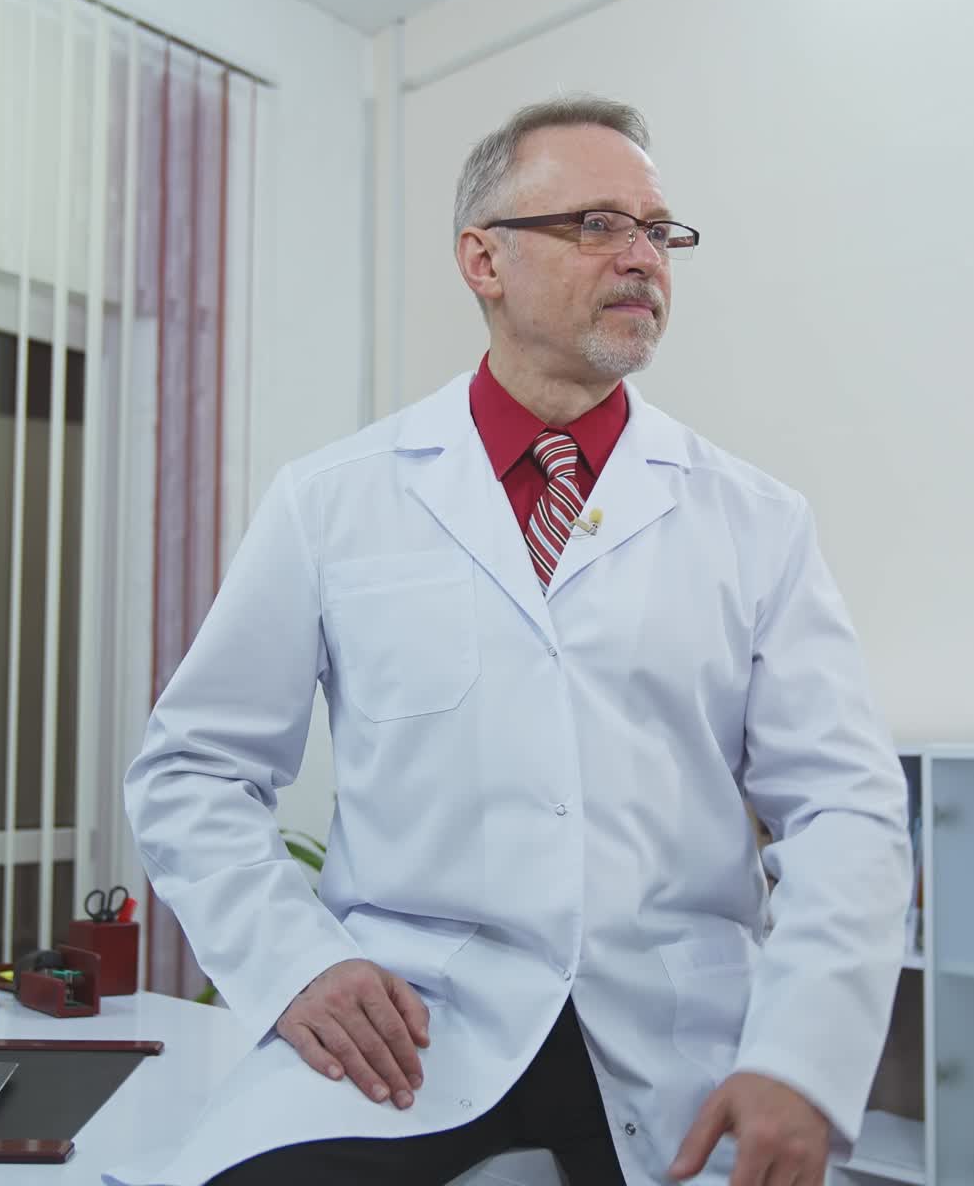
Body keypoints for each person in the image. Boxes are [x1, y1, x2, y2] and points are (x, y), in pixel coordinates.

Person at [120, 95, 911, 1186]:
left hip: (672, 1030)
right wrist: (298, 961)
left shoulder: (754, 519)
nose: (642, 258)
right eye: (596, 224)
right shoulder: (334, 499)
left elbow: (844, 804)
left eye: (658, 230)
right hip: (411, 1018)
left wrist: (801, 1055)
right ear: (481, 259)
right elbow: (194, 768)